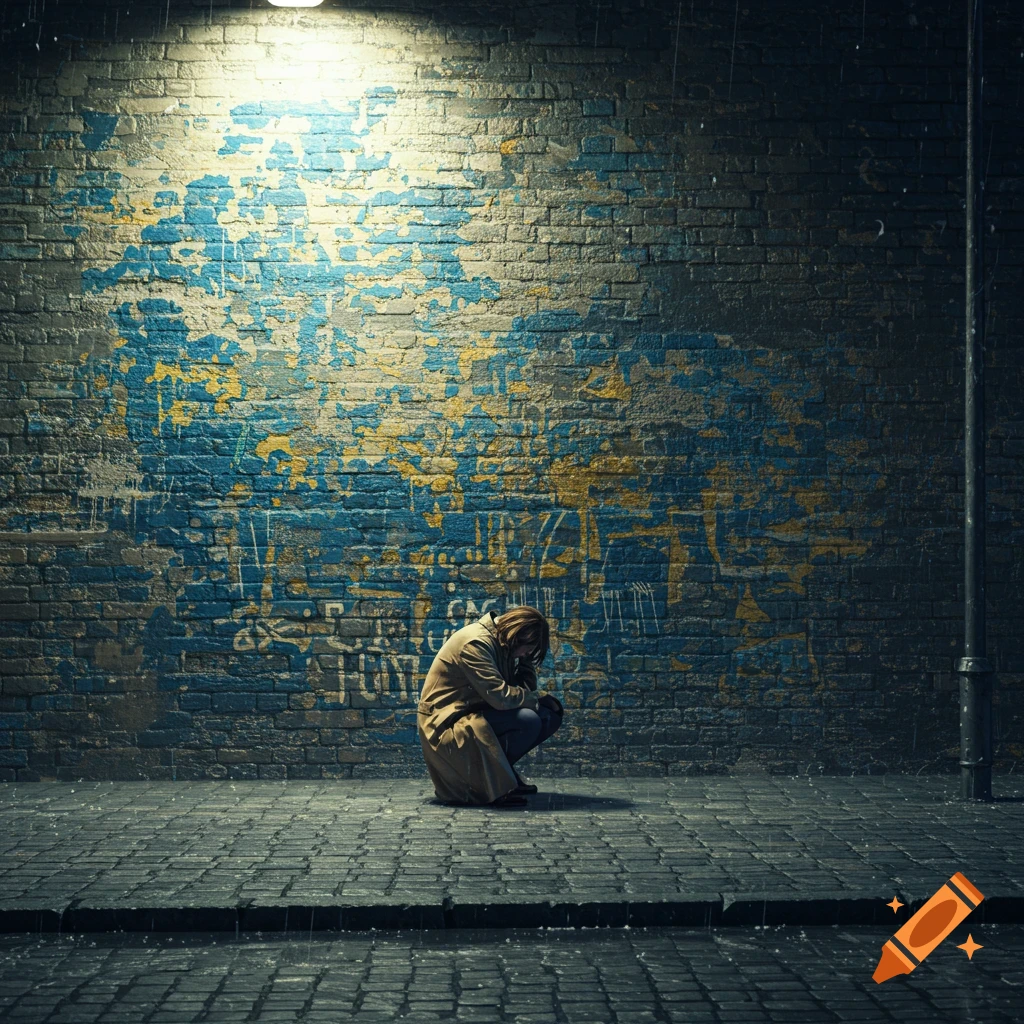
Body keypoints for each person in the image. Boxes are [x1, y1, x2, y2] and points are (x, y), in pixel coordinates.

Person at [417, 605, 563, 808]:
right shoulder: (476, 644)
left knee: (548, 716)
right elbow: (500, 698)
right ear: (517, 636)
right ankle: (490, 784)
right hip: (445, 726)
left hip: (472, 714)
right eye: (528, 649)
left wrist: (526, 663)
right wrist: (537, 697)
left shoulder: (503, 644)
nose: (526, 653)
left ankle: (503, 775)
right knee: (528, 719)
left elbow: (521, 691)